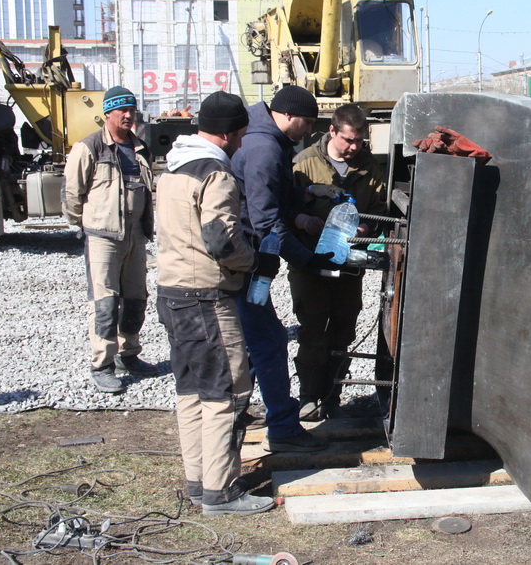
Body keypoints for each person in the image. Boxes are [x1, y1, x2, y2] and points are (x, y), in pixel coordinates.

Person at [155, 90, 275, 516]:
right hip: (206, 297)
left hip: (171, 292)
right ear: (228, 133)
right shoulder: (216, 174)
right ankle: (222, 492)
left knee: (193, 391)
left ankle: (199, 481)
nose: (242, 141)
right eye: (241, 133)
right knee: (228, 392)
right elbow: (221, 241)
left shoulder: (172, 168)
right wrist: (255, 260)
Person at [231, 85, 341, 452]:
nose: (309, 131)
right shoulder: (263, 148)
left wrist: (307, 193)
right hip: (249, 259)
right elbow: (266, 222)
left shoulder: (270, 142)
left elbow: (272, 196)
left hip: (252, 258)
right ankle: (281, 427)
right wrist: (307, 258)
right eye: (307, 122)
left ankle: (236, 413)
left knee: (252, 338)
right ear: (288, 115)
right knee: (269, 339)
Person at [291, 103, 387, 420]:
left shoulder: (370, 167)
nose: (354, 147)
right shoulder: (304, 164)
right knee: (313, 329)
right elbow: (282, 208)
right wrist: (303, 220)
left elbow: (381, 210)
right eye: (348, 140)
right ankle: (309, 397)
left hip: (349, 264)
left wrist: (366, 227)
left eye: (359, 141)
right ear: (332, 131)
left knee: (344, 330)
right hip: (310, 263)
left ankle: (333, 396)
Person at [63, 85, 159, 394]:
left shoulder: (140, 148)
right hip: (103, 238)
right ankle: (102, 365)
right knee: (105, 303)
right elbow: (72, 194)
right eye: (123, 111)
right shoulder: (89, 148)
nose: (129, 116)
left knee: (136, 299)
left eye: (132, 110)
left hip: (135, 236)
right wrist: (86, 225)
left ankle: (128, 354)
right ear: (108, 113)